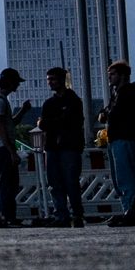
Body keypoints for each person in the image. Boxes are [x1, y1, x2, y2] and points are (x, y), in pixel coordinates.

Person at [37, 67, 86, 227]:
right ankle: (66, 215)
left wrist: (47, 123)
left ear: (62, 80)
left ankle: (72, 214)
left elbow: (47, 124)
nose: (50, 82)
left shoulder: (72, 101)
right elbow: (63, 122)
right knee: (57, 182)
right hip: (55, 147)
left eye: (53, 79)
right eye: (49, 79)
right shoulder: (55, 103)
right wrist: (57, 121)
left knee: (69, 182)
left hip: (67, 146)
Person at [102, 60, 135, 223]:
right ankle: (128, 209)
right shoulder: (116, 93)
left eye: (112, 75)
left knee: (125, 176)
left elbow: (114, 112)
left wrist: (107, 113)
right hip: (116, 137)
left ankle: (132, 211)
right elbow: (107, 111)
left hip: (123, 137)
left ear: (123, 75)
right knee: (120, 177)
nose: (110, 78)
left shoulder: (128, 92)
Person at [0, 69, 23, 227]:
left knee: (10, 183)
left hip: (1, 147)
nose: (18, 85)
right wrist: (11, 151)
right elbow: (1, 127)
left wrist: (24, 110)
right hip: (3, 147)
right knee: (8, 184)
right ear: (10, 82)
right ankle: (4, 216)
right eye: (16, 82)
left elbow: (9, 123)